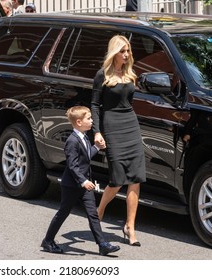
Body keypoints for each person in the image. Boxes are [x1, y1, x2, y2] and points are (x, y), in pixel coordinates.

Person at [41, 106, 120, 256]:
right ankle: (48, 241)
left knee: (93, 214)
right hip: (72, 185)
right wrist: (83, 181)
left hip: (84, 184)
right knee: (63, 212)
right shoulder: (72, 141)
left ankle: (102, 244)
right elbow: (72, 165)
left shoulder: (83, 137)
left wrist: (96, 147)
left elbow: (86, 156)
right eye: (89, 118)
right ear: (79, 122)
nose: (91, 121)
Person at [91, 35, 146, 247]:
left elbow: (128, 103)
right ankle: (100, 210)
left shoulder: (130, 74)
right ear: (114, 52)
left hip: (131, 126)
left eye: (128, 51)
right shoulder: (102, 75)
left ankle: (130, 226)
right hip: (112, 127)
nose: (126, 55)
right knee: (117, 179)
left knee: (136, 178)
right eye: (123, 51)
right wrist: (97, 132)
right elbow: (95, 105)